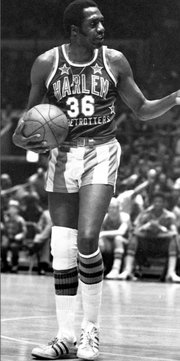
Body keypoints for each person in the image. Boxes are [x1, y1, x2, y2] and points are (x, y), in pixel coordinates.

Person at [12, 0, 180, 359]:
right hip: (63, 156)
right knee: (61, 248)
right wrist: (27, 140)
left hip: (102, 152)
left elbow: (143, 108)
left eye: (102, 22)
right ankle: (65, 337)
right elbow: (26, 125)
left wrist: (175, 98)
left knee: (88, 239)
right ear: (75, 30)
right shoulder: (46, 64)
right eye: (94, 24)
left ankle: (91, 330)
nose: (102, 28)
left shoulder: (114, 61)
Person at [118, 192, 180, 282]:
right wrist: (146, 226)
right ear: (152, 203)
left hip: (162, 246)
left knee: (174, 239)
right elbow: (134, 231)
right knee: (134, 237)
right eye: (156, 201)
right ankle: (127, 271)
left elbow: (174, 233)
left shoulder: (169, 216)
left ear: (164, 203)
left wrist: (161, 228)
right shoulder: (144, 214)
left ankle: (171, 273)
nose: (158, 203)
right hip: (146, 246)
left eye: (160, 202)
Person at [99, 197, 130, 279]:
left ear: (119, 208)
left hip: (126, 243)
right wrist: (100, 238)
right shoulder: (104, 217)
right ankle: (98, 269)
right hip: (110, 243)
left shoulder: (124, 217)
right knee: (98, 241)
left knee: (118, 238)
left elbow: (121, 232)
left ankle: (115, 269)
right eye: (110, 207)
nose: (112, 210)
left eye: (114, 207)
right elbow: (98, 232)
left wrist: (102, 234)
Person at [1, 199, 27, 273]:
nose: (12, 210)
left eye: (14, 208)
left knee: (14, 247)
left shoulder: (20, 220)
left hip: (16, 240)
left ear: (17, 210)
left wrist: (20, 235)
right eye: (10, 208)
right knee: (3, 246)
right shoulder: (5, 219)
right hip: (7, 238)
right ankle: (4, 263)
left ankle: (14, 265)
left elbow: (24, 231)